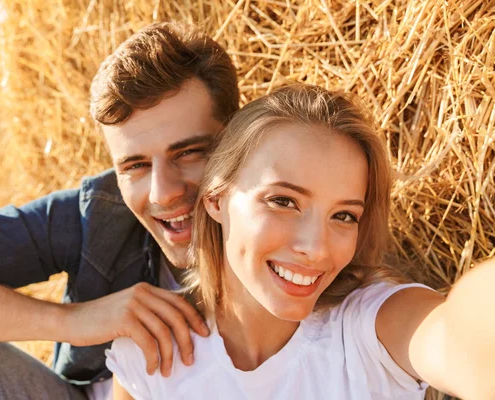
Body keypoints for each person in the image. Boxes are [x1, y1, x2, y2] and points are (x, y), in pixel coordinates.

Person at [0, 22, 239, 399]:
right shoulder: (96, 215)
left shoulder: (289, 242)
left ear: (237, 141)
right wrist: (73, 321)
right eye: (135, 166)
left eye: (189, 152)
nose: (163, 193)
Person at [107, 84, 495, 400]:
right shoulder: (150, 355)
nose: (317, 248)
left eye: (344, 216)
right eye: (284, 201)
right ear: (216, 199)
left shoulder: (370, 329)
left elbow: (455, 339)